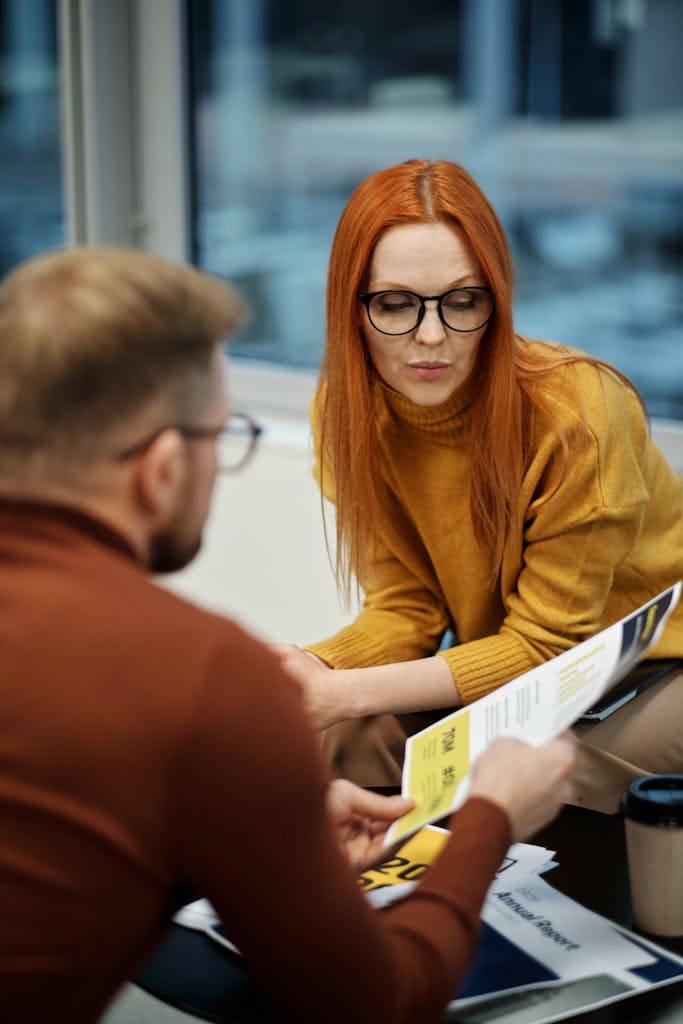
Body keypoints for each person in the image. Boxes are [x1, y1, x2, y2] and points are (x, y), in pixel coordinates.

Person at [0, 245, 575, 1024]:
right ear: (163, 467)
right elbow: (378, 1003)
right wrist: (491, 818)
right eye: (221, 433)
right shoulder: (200, 673)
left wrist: (257, 827)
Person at [274, 158, 683, 813]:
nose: (431, 337)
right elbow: (407, 609)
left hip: (658, 661)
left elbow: (550, 645)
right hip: (530, 665)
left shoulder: (577, 412)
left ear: (495, 302)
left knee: (528, 778)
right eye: (395, 304)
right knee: (339, 741)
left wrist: (342, 692)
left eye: (462, 301)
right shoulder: (345, 415)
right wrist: (310, 671)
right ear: (350, 308)